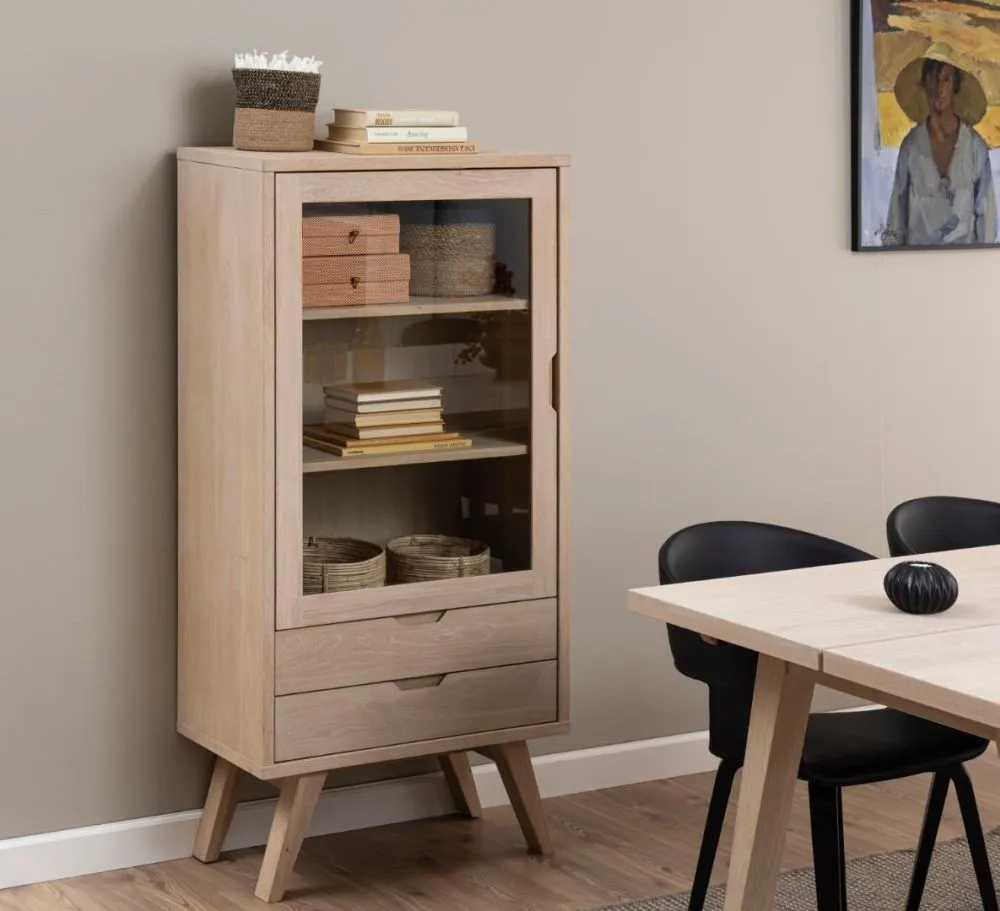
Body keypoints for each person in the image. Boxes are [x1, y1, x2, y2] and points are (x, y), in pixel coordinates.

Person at [885, 43, 997, 246]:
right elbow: (896, 215)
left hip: (965, 265)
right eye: (932, 78)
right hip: (917, 263)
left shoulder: (974, 146)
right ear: (924, 84)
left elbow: (987, 218)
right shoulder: (911, 146)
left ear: (956, 86)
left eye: (946, 79)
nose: (939, 87)